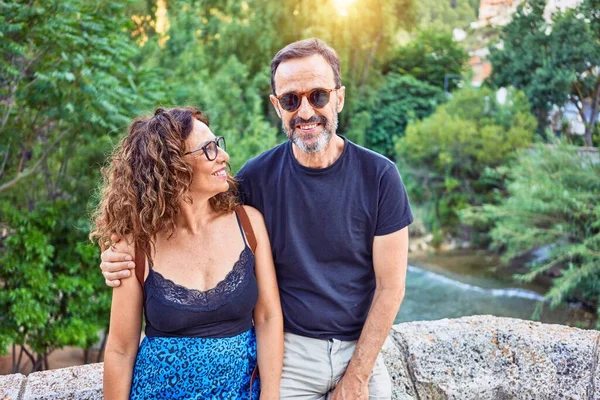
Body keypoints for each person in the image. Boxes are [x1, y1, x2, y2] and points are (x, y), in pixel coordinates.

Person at [101, 38, 412, 399]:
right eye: (291, 100)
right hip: (292, 352)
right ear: (277, 106)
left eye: (319, 96)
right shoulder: (255, 180)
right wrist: (113, 258)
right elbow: (175, 214)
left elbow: (391, 287)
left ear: (339, 98)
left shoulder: (380, 176)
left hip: (360, 350)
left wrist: (357, 377)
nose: (306, 111)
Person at [91, 106, 283, 399]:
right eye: (208, 149)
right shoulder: (137, 246)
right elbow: (120, 349)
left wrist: (270, 395)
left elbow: (268, 317)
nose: (223, 156)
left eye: (217, 144)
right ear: (172, 169)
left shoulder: (249, 224)